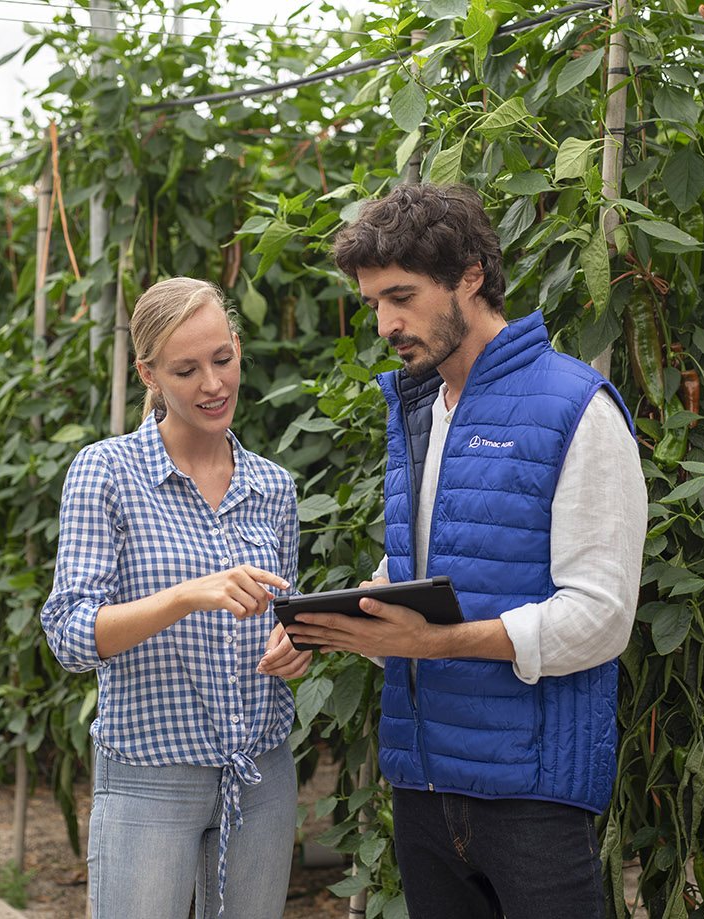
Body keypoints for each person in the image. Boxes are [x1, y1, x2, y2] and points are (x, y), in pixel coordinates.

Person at [285, 184, 648, 919]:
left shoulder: (577, 407)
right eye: (373, 304)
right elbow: (421, 567)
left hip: (532, 794)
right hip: (423, 786)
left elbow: (602, 616)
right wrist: (335, 621)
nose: (385, 324)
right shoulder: (417, 411)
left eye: (402, 297)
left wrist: (439, 640)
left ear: (472, 275)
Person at [40, 277, 310, 919]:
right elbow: (72, 635)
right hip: (149, 778)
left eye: (223, 359)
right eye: (186, 370)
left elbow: (285, 621)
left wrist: (295, 648)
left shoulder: (274, 488)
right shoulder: (105, 472)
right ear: (149, 375)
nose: (213, 385)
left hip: (260, 773)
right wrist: (187, 595)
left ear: (239, 348)